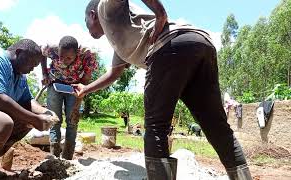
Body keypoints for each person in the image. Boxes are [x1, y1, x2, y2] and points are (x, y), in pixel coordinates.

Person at [76, 0, 253, 179]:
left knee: (155, 127)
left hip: (170, 44)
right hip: (200, 43)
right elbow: (114, 74)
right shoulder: (119, 37)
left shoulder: (104, 9)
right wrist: (85, 89)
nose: (87, 27)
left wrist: (160, 13)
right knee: (216, 127)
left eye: (85, 21)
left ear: (92, 15)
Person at [0, 39, 59, 176]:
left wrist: (45, 112)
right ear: (19, 53)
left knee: (25, 122)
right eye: (32, 64)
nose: (32, 69)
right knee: (0, 122)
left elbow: (27, 102)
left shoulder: (20, 76)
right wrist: (35, 119)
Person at [41, 36, 97, 160]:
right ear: (58, 50)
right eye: (61, 57)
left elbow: (85, 82)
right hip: (54, 84)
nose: (64, 61)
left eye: (69, 58)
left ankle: (67, 157)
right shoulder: (50, 48)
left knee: (72, 121)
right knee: (54, 119)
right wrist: (44, 73)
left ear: (77, 53)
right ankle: (54, 157)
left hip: (74, 88)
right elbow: (42, 54)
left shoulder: (87, 55)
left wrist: (77, 107)